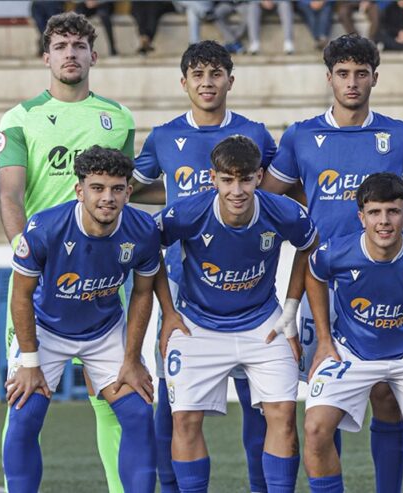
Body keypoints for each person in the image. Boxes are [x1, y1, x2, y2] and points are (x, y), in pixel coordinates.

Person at [261, 33, 403, 493]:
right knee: (321, 398)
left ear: (375, 77)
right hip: (320, 282)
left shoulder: (399, 135)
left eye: (362, 73)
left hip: (386, 282)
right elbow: (265, 200)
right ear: (329, 78)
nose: (353, 82)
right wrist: (304, 213)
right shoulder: (301, 135)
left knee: (384, 394)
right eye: (343, 73)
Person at [130, 40, 277, 493]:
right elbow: (131, 189)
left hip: (247, 283)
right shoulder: (162, 136)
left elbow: (272, 194)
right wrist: (178, 202)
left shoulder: (256, 133)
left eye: (216, 75)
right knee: (173, 403)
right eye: (198, 75)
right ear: (184, 83)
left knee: (261, 403)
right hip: (181, 286)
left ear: (231, 80)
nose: (207, 83)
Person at [0, 11, 135, 493]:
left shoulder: (117, 118)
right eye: (61, 46)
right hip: (39, 284)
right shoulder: (20, 118)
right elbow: (9, 195)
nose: (70, 54)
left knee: (116, 401)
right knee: (25, 399)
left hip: (99, 282)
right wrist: (25, 253)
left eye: (79, 46)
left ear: (93, 55)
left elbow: (127, 191)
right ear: (46, 56)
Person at [157, 135, 316, 493]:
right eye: (227, 180)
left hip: (263, 324)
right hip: (198, 325)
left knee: (283, 416)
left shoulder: (284, 211)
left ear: (259, 177)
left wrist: (290, 310)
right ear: (213, 178)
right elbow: (146, 252)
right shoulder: (186, 212)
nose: (237, 190)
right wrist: (168, 312)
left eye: (245, 179)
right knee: (184, 420)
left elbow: (309, 248)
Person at [3, 146, 162, 493]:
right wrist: (30, 361)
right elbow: (21, 294)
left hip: (105, 331)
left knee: (137, 415)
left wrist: (132, 359)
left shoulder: (143, 229)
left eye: (117, 189)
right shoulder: (45, 227)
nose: (108, 198)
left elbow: (141, 293)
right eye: (98, 188)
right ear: (80, 190)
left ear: (128, 191)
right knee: (25, 414)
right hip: (46, 331)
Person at [304, 172, 403, 493]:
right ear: (361, 217)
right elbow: (313, 274)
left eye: (392, 211)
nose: (384, 221)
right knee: (316, 429)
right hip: (351, 352)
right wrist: (323, 340)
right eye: (375, 212)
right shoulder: (336, 252)